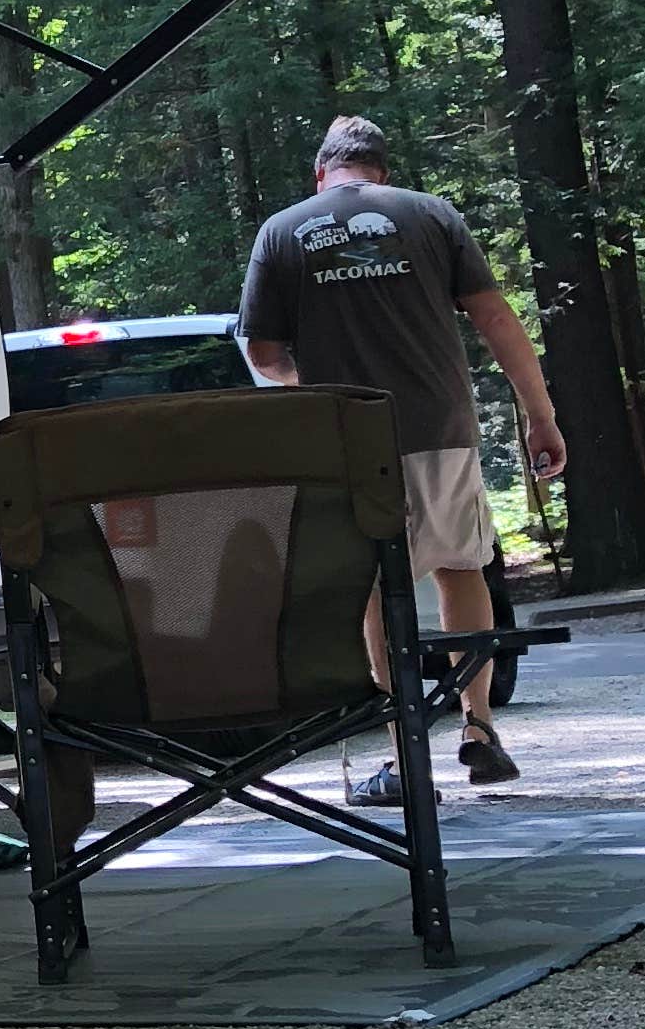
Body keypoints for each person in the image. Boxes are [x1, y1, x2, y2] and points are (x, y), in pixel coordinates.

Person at [236, 113, 563, 787]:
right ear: (382, 171)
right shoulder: (431, 215)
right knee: (461, 570)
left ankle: (404, 753)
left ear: (321, 173)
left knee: (378, 592)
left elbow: (263, 354)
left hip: (349, 442)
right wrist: (541, 415)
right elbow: (494, 316)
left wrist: (313, 381)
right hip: (439, 428)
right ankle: (479, 726)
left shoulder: (282, 231)